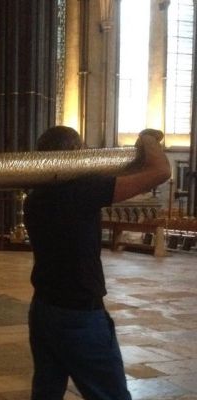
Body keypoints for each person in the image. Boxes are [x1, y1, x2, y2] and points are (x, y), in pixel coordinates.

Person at [23, 126, 171, 400]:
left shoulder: (34, 198)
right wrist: (148, 139)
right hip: (79, 315)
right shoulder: (82, 190)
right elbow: (161, 170)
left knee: (46, 392)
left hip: (44, 310)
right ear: (73, 155)